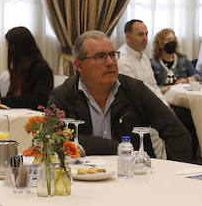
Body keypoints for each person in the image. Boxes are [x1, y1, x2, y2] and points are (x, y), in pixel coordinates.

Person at [48, 31, 192, 160]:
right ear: (79, 65)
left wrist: (173, 176)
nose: (110, 63)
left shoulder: (134, 89)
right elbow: (53, 139)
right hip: (83, 178)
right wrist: (114, 148)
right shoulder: (63, 95)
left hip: (135, 177)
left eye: (112, 55)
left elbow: (177, 133)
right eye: (100, 57)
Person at [0, 26, 53, 110]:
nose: (7, 50)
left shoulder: (41, 69)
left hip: (34, 117)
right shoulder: (18, 68)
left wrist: (3, 101)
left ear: (16, 48)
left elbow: (39, 100)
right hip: (17, 113)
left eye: (8, 46)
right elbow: (12, 95)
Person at [116, 19, 165, 100]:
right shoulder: (122, 59)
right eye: (140, 34)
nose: (145, 38)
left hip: (154, 103)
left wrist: (166, 105)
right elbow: (134, 95)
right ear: (128, 36)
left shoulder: (144, 57)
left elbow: (154, 87)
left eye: (146, 34)